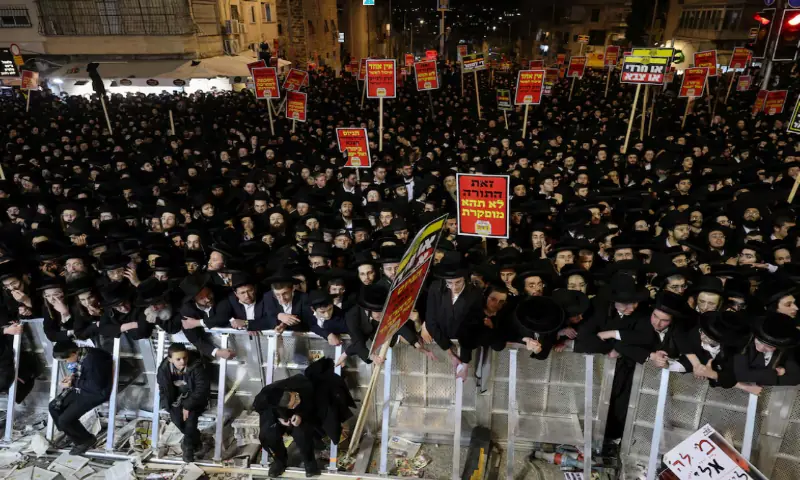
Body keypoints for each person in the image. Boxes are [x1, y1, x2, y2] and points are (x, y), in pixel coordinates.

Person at [252, 371, 321, 477]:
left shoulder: (303, 384)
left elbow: (314, 404)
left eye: (296, 398)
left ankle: (309, 463)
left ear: (292, 391)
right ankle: (280, 461)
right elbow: (260, 409)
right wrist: (279, 419)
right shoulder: (265, 397)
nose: (295, 403)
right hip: (277, 415)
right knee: (268, 435)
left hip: (302, 412)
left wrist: (299, 414)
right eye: (292, 405)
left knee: (301, 433)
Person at [50, 341, 113, 455]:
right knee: (54, 407)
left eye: (66, 359)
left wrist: (73, 383)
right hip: (83, 388)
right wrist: (72, 379)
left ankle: (85, 440)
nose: (66, 362)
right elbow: (83, 375)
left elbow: (96, 387)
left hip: (94, 394)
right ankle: (70, 432)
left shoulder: (93, 361)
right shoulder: (83, 353)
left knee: (64, 420)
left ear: (74, 354)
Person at [156, 343, 210, 462]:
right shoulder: (164, 369)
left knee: (190, 421)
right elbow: (162, 388)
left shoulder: (196, 366)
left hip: (194, 399)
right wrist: (166, 405)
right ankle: (196, 441)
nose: (182, 361)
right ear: (170, 360)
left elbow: (202, 388)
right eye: (178, 359)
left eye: (185, 357)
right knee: (178, 421)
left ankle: (188, 450)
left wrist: (188, 405)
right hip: (175, 400)